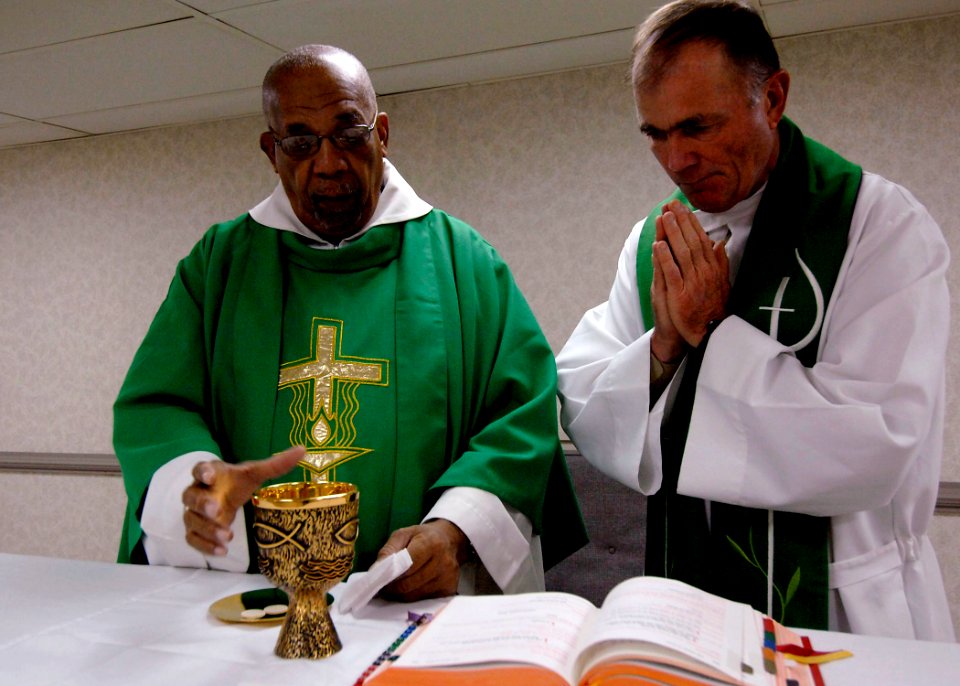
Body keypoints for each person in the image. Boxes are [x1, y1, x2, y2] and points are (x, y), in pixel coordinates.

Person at [114, 44, 586, 601]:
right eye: (300, 141)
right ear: (271, 150)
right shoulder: (218, 266)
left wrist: (454, 531)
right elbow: (157, 409)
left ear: (381, 133)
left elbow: (520, 419)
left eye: (348, 133)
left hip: (414, 605)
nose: (330, 162)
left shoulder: (466, 263)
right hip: (250, 602)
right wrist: (195, 486)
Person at [556, 0, 954, 640]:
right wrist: (662, 346)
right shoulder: (651, 241)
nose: (676, 159)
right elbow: (583, 392)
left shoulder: (877, 225)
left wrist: (713, 337)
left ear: (772, 98)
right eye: (655, 134)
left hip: (844, 606)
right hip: (686, 596)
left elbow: (879, 441)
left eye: (698, 127)